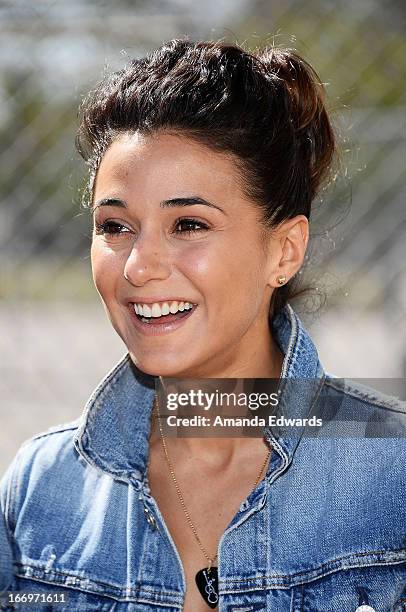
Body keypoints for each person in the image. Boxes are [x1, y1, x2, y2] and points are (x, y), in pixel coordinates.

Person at [0, 38, 405, 612]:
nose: (139, 267)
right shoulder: (40, 490)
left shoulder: (393, 478)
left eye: (188, 225)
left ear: (284, 252)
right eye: (115, 226)